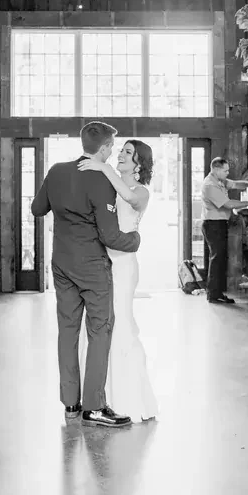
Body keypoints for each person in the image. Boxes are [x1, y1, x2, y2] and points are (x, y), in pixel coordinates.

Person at [31, 121, 141, 428]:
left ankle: (70, 404)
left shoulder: (55, 171)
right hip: (92, 268)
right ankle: (94, 406)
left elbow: (37, 209)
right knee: (99, 331)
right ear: (105, 148)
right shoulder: (100, 180)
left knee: (67, 332)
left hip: (61, 265)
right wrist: (135, 240)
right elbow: (110, 236)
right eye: (112, 147)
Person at [77, 139, 159, 423]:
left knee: (120, 322)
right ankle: (98, 397)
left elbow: (129, 198)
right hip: (99, 264)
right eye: (120, 151)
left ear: (139, 163)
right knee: (98, 323)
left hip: (123, 265)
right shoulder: (107, 185)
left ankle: (126, 397)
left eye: (128, 153)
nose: (121, 155)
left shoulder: (141, 191)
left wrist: (103, 168)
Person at [201, 158, 248, 304]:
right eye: (225, 170)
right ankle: (214, 295)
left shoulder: (220, 181)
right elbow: (228, 204)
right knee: (217, 260)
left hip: (219, 223)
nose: (228, 173)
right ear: (216, 169)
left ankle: (217, 293)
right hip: (213, 225)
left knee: (219, 259)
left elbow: (235, 184)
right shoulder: (210, 185)